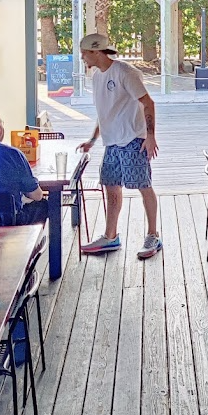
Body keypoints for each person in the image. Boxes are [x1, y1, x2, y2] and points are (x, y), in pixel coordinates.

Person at [77, 34, 162, 259]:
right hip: (111, 142)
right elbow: (105, 113)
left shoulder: (125, 73)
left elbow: (148, 103)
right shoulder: (97, 77)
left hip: (133, 139)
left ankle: (153, 235)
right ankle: (110, 236)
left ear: (96, 52)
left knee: (143, 185)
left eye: (84, 53)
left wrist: (150, 136)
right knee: (111, 186)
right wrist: (92, 140)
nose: (82, 57)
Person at [0, 106, 48, 225]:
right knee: (42, 204)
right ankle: (31, 238)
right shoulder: (12, 154)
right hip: (7, 222)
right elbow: (36, 195)